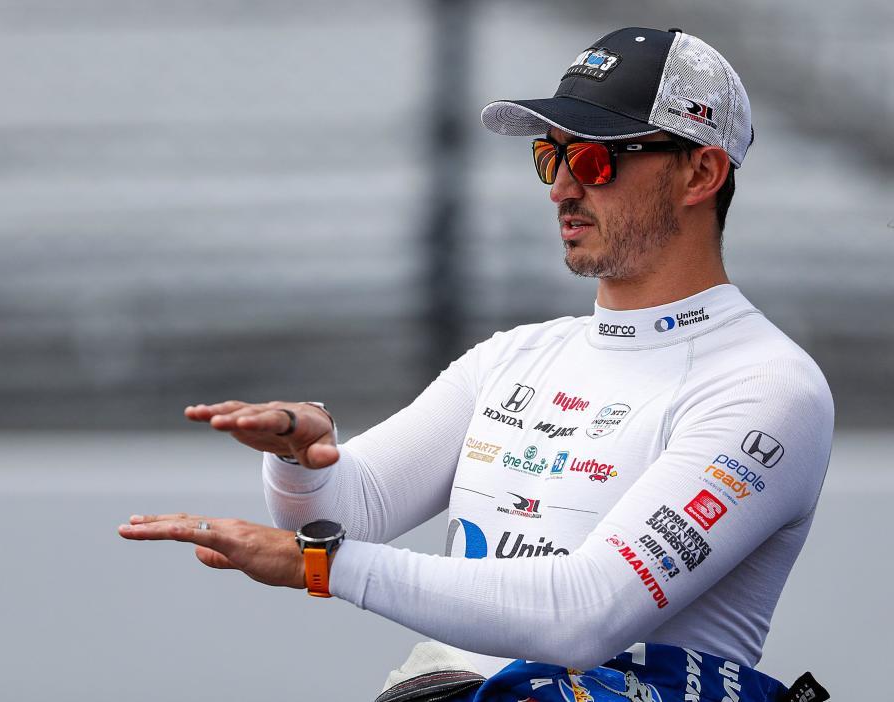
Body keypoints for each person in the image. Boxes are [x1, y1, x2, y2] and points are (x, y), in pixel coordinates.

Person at [119, 27, 833, 702]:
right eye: (550, 157)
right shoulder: (515, 356)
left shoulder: (767, 386)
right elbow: (351, 512)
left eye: (594, 159)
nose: (560, 188)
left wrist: (319, 567)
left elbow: (585, 616)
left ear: (699, 172)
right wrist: (303, 460)